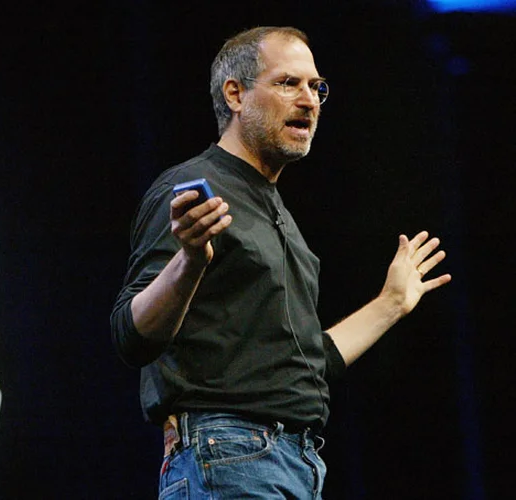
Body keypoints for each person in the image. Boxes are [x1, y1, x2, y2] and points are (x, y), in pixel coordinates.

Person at [110, 26, 451, 499]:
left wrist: (391, 302)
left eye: (316, 87)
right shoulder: (192, 186)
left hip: (296, 462)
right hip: (228, 455)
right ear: (235, 94)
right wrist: (188, 261)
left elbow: (308, 364)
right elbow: (131, 334)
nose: (310, 100)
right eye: (289, 83)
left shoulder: (280, 217)